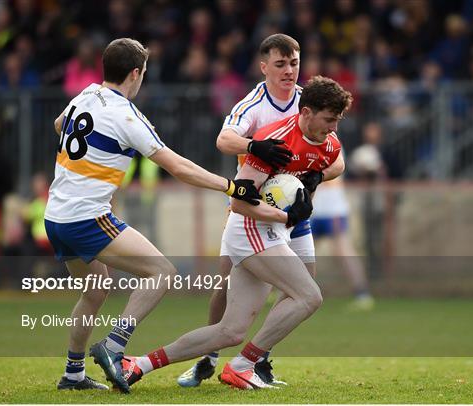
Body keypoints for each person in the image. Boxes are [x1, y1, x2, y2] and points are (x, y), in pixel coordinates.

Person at [44, 38, 261, 393]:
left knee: (95, 291)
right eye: (144, 71)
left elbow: (59, 125)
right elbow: (178, 167)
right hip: (85, 218)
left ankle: (73, 374)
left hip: (56, 217)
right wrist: (230, 186)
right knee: (161, 272)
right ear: (135, 73)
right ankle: (113, 347)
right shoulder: (127, 115)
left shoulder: (84, 95)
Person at [119, 75, 353, 390]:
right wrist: (284, 214)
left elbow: (329, 166)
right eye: (329, 120)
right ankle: (244, 365)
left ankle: (138, 364)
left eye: (338, 121)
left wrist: (314, 181)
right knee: (309, 296)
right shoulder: (277, 140)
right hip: (249, 229)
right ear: (307, 112)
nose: (333, 128)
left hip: (271, 232)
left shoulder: (329, 144)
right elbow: (239, 203)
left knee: (230, 331)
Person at [176, 33, 346, 387]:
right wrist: (257, 145)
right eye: (281, 64)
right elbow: (223, 140)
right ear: (264, 66)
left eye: (294, 63)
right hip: (252, 209)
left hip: (293, 213)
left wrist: (314, 175)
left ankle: (259, 360)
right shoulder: (253, 104)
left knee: (301, 286)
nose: (289, 71)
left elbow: (337, 160)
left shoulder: (310, 103)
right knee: (225, 288)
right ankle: (206, 360)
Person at [311, 177, 374, 310]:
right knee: (302, 251)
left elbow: (328, 177)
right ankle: (287, 291)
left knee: (343, 251)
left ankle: (362, 293)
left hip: (332, 211)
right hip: (313, 211)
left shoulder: (333, 156)